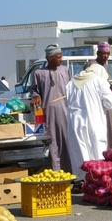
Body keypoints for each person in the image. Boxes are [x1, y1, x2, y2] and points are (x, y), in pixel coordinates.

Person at [66, 63, 112, 193]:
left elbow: (67, 102)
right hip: (94, 121)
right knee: (97, 149)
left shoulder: (71, 83)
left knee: (78, 150)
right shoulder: (100, 81)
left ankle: (79, 181)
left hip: (74, 122)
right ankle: (98, 181)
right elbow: (109, 103)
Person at [30, 44, 72, 173]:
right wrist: (36, 96)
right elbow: (34, 90)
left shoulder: (65, 70)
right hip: (49, 113)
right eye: (58, 57)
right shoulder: (38, 73)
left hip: (66, 111)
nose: (61, 59)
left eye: (61, 57)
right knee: (53, 142)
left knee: (68, 141)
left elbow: (72, 89)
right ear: (49, 58)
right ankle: (56, 172)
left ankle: (71, 172)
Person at [84, 42, 112, 149]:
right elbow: (89, 82)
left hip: (104, 101)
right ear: (98, 53)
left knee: (108, 125)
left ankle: (109, 150)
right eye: (104, 53)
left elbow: (105, 81)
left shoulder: (106, 66)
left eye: (108, 54)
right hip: (95, 102)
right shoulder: (91, 65)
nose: (106, 56)